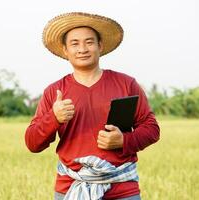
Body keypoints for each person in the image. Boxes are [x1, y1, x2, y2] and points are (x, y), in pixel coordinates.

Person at [25, 12, 160, 200]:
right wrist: (53, 118)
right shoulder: (55, 91)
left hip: (122, 189)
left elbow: (151, 129)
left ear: (100, 46)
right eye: (74, 43)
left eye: (89, 42)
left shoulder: (126, 84)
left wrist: (124, 141)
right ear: (65, 50)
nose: (82, 49)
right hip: (70, 188)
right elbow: (32, 143)